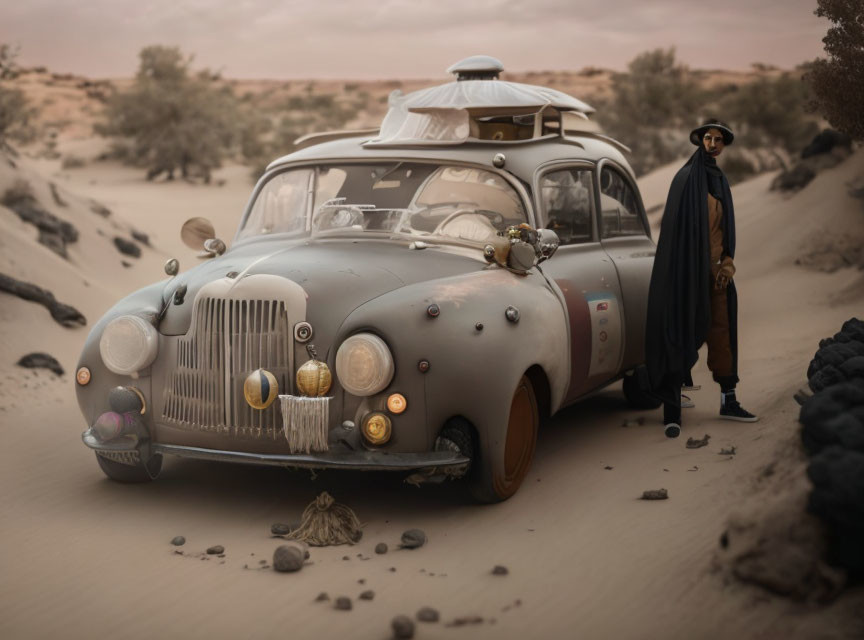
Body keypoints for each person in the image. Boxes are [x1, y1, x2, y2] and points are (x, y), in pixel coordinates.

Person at [644, 118, 759, 438]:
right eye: (708, 138)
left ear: (724, 145)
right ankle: (672, 410)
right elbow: (673, 236)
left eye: (718, 139)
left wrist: (728, 261)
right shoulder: (684, 179)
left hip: (717, 274)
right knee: (680, 332)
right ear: (699, 141)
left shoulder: (719, 180)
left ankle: (729, 400)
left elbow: (725, 230)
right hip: (685, 275)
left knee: (722, 334)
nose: (713, 144)